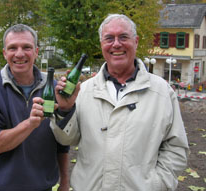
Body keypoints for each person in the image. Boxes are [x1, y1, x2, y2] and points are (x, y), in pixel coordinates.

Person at [51, 14, 189, 191]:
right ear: (101, 45)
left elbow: (176, 148)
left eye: (123, 37)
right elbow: (67, 139)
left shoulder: (161, 92)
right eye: (109, 38)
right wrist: (65, 109)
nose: (116, 44)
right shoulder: (84, 91)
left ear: (136, 41)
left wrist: (157, 183)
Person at [0, 24, 70, 191]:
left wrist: (65, 183)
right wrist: (29, 124)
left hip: (43, 187)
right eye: (12, 48)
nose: (19, 54)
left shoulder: (53, 88)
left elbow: (62, 142)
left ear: (36, 52)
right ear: (4, 53)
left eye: (26, 47)